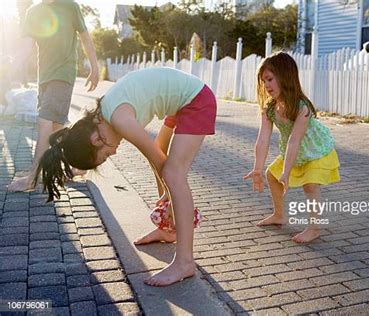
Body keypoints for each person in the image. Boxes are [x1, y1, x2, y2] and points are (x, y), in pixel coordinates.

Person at [34, 67, 217, 287]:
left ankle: (185, 262)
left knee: (173, 173)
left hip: (196, 100)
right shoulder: (104, 115)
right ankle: (170, 230)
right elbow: (156, 156)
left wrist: (170, 196)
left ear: (95, 140)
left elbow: (161, 164)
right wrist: (168, 202)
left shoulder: (120, 120)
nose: (113, 153)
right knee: (164, 162)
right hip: (183, 100)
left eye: (103, 157)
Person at [244, 52, 340, 243]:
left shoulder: (301, 107)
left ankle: (314, 228)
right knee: (272, 176)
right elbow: (263, 139)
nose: (267, 85)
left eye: (270, 79)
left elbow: (295, 140)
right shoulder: (270, 108)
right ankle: (279, 215)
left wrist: (287, 172)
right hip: (293, 150)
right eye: (264, 81)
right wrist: (257, 168)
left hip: (315, 150)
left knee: (310, 185)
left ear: (285, 77)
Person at [7, 0, 99, 192]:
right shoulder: (33, 12)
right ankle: (75, 166)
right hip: (45, 78)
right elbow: (26, 47)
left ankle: (33, 178)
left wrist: (95, 67)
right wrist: (9, 70)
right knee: (57, 126)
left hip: (63, 74)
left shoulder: (70, 6)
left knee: (45, 122)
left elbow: (85, 38)